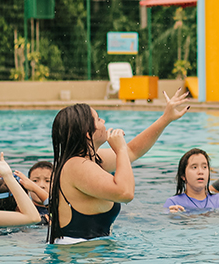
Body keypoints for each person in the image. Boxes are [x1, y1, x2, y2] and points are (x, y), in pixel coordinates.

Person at [48, 90, 190, 245]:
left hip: (88, 256)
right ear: (88, 133)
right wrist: (120, 149)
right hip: (75, 260)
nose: (103, 121)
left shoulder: (92, 160)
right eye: (98, 119)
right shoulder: (76, 166)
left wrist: (165, 119)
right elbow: (125, 193)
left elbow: (133, 151)